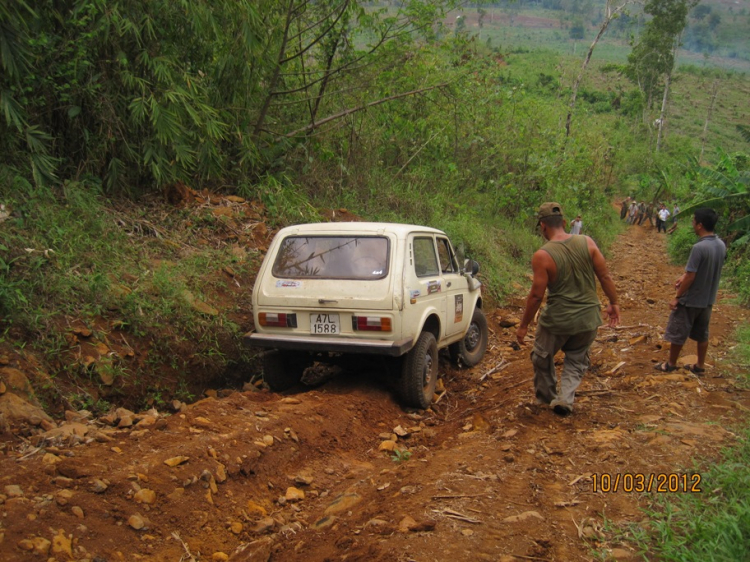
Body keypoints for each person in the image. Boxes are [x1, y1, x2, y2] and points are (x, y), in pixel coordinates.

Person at [516, 203, 621, 416]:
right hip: (588, 319)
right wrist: (614, 303)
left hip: (558, 320)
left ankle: (546, 399)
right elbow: (605, 277)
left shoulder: (542, 255)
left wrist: (524, 325)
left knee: (542, 357)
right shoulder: (588, 242)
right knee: (576, 357)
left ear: (543, 226)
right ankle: (565, 398)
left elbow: (537, 295)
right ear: (564, 223)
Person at [654, 208, 725, 375]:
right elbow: (703, 270)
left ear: (700, 225)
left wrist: (677, 297)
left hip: (691, 299)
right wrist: (683, 275)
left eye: (693, 221)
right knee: (703, 334)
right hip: (707, 299)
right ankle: (700, 365)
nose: (692, 224)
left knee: (678, 331)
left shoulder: (699, 248)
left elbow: (691, 276)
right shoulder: (721, 245)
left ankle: (671, 364)